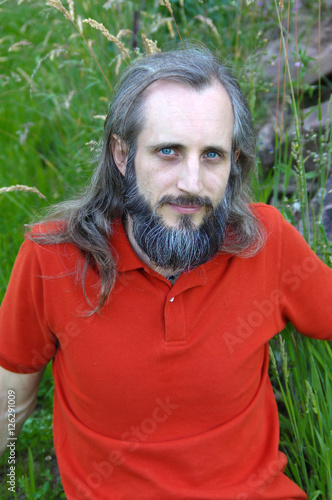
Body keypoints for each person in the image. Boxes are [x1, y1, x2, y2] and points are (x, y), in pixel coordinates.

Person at [0, 47, 331, 500]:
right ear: (122, 154)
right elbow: (11, 400)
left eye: (212, 155)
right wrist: (14, 479)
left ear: (233, 162)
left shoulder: (265, 241)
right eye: (169, 151)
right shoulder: (52, 257)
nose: (192, 183)